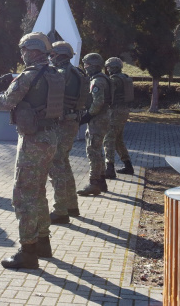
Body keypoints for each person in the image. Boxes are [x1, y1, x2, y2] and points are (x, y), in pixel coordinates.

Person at [0, 32, 64, 270]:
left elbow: (7, 101)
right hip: (50, 137)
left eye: (23, 51)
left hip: (33, 140)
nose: (22, 55)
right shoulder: (54, 74)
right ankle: (42, 243)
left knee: (24, 195)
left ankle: (28, 252)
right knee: (38, 191)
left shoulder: (29, 75)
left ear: (32, 51)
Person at [48, 41, 89, 225]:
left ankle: (60, 210)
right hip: (71, 122)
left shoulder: (62, 74)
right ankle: (71, 205)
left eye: (52, 55)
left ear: (59, 55)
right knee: (64, 163)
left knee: (56, 165)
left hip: (62, 124)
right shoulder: (78, 72)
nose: (50, 58)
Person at [77, 53, 112, 196]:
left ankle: (94, 183)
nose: (85, 68)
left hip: (97, 119)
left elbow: (98, 102)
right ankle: (102, 181)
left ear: (94, 66)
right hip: (102, 118)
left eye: (87, 65)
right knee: (97, 150)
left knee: (93, 151)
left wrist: (87, 116)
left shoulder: (97, 81)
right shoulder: (103, 78)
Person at [103, 57, 134, 177]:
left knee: (109, 139)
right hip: (123, 110)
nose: (108, 69)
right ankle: (128, 165)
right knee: (118, 140)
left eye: (109, 67)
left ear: (114, 67)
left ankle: (109, 168)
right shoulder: (125, 77)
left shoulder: (114, 80)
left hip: (115, 111)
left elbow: (107, 94)